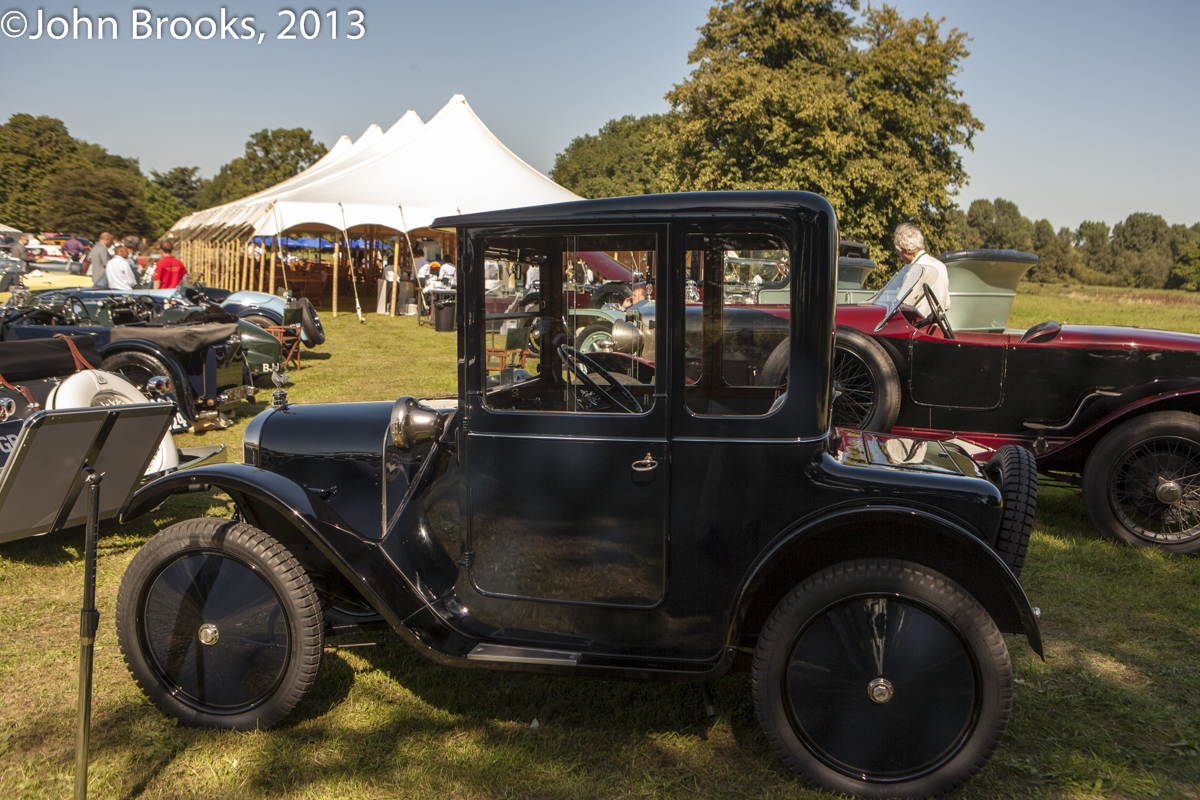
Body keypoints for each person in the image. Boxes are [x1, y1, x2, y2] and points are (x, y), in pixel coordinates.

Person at [893, 222, 951, 316]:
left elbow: (901, 306)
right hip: (940, 326)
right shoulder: (940, 265)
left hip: (920, 326)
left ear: (904, 250)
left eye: (899, 252)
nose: (900, 256)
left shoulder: (915, 270)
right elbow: (947, 305)